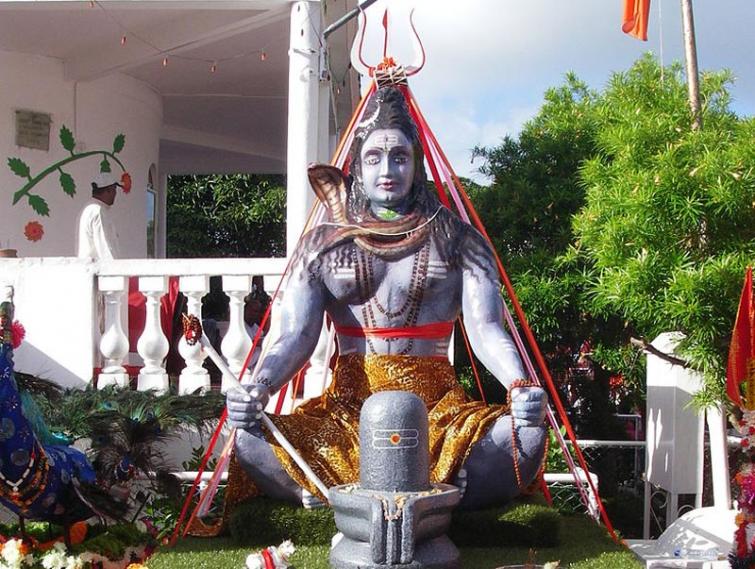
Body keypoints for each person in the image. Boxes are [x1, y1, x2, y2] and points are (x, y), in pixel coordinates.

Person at [227, 86, 548, 510]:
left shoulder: (459, 239)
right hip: (346, 412)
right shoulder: (321, 245)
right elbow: (296, 335)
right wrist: (259, 387)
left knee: (523, 435)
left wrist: (520, 387)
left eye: (399, 157)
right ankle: (440, 491)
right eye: (374, 158)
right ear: (357, 168)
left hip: (437, 413)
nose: (387, 170)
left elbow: (486, 328)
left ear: (416, 163)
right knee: (249, 435)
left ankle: (335, 488)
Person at [76, 172, 121, 260]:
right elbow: (105, 247)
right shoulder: (98, 211)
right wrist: (115, 267)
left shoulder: (91, 208)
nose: (115, 193)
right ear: (108, 190)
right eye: (114, 189)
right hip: (98, 267)